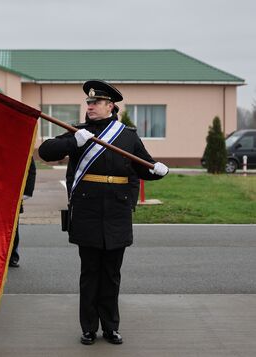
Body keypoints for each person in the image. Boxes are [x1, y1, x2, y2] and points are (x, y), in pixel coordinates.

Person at [38, 80, 168, 345]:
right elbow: (45, 152)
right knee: (89, 273)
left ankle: (110, 326)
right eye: (88, 102)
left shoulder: (128, 136)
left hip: (117, 212)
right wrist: (73, 141)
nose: (90, 106)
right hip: (87, 211)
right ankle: (88, 327)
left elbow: (142, 167)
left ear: (110, 106)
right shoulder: (79, 131)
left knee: (111, 274)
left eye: (96, 102)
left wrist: (157, 170)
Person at [9, 157, 36, 268]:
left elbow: (31, 169)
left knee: (13, 228)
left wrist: (26, 192)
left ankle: (12, 257)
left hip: (13, 193)